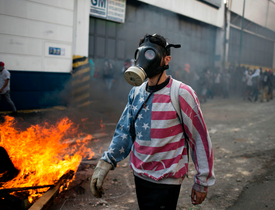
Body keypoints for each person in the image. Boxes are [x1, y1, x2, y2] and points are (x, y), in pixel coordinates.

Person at [90, 34, 215, 209]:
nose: (144, 59)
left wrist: (203, 180)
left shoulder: (181, 93)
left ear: (166, 59)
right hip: (140, 174)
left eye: (150, 54)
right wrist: (106, 162)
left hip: (168, 178)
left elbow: (199, 139)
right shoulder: (136, 92)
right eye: (140, 54)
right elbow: (125, 131)